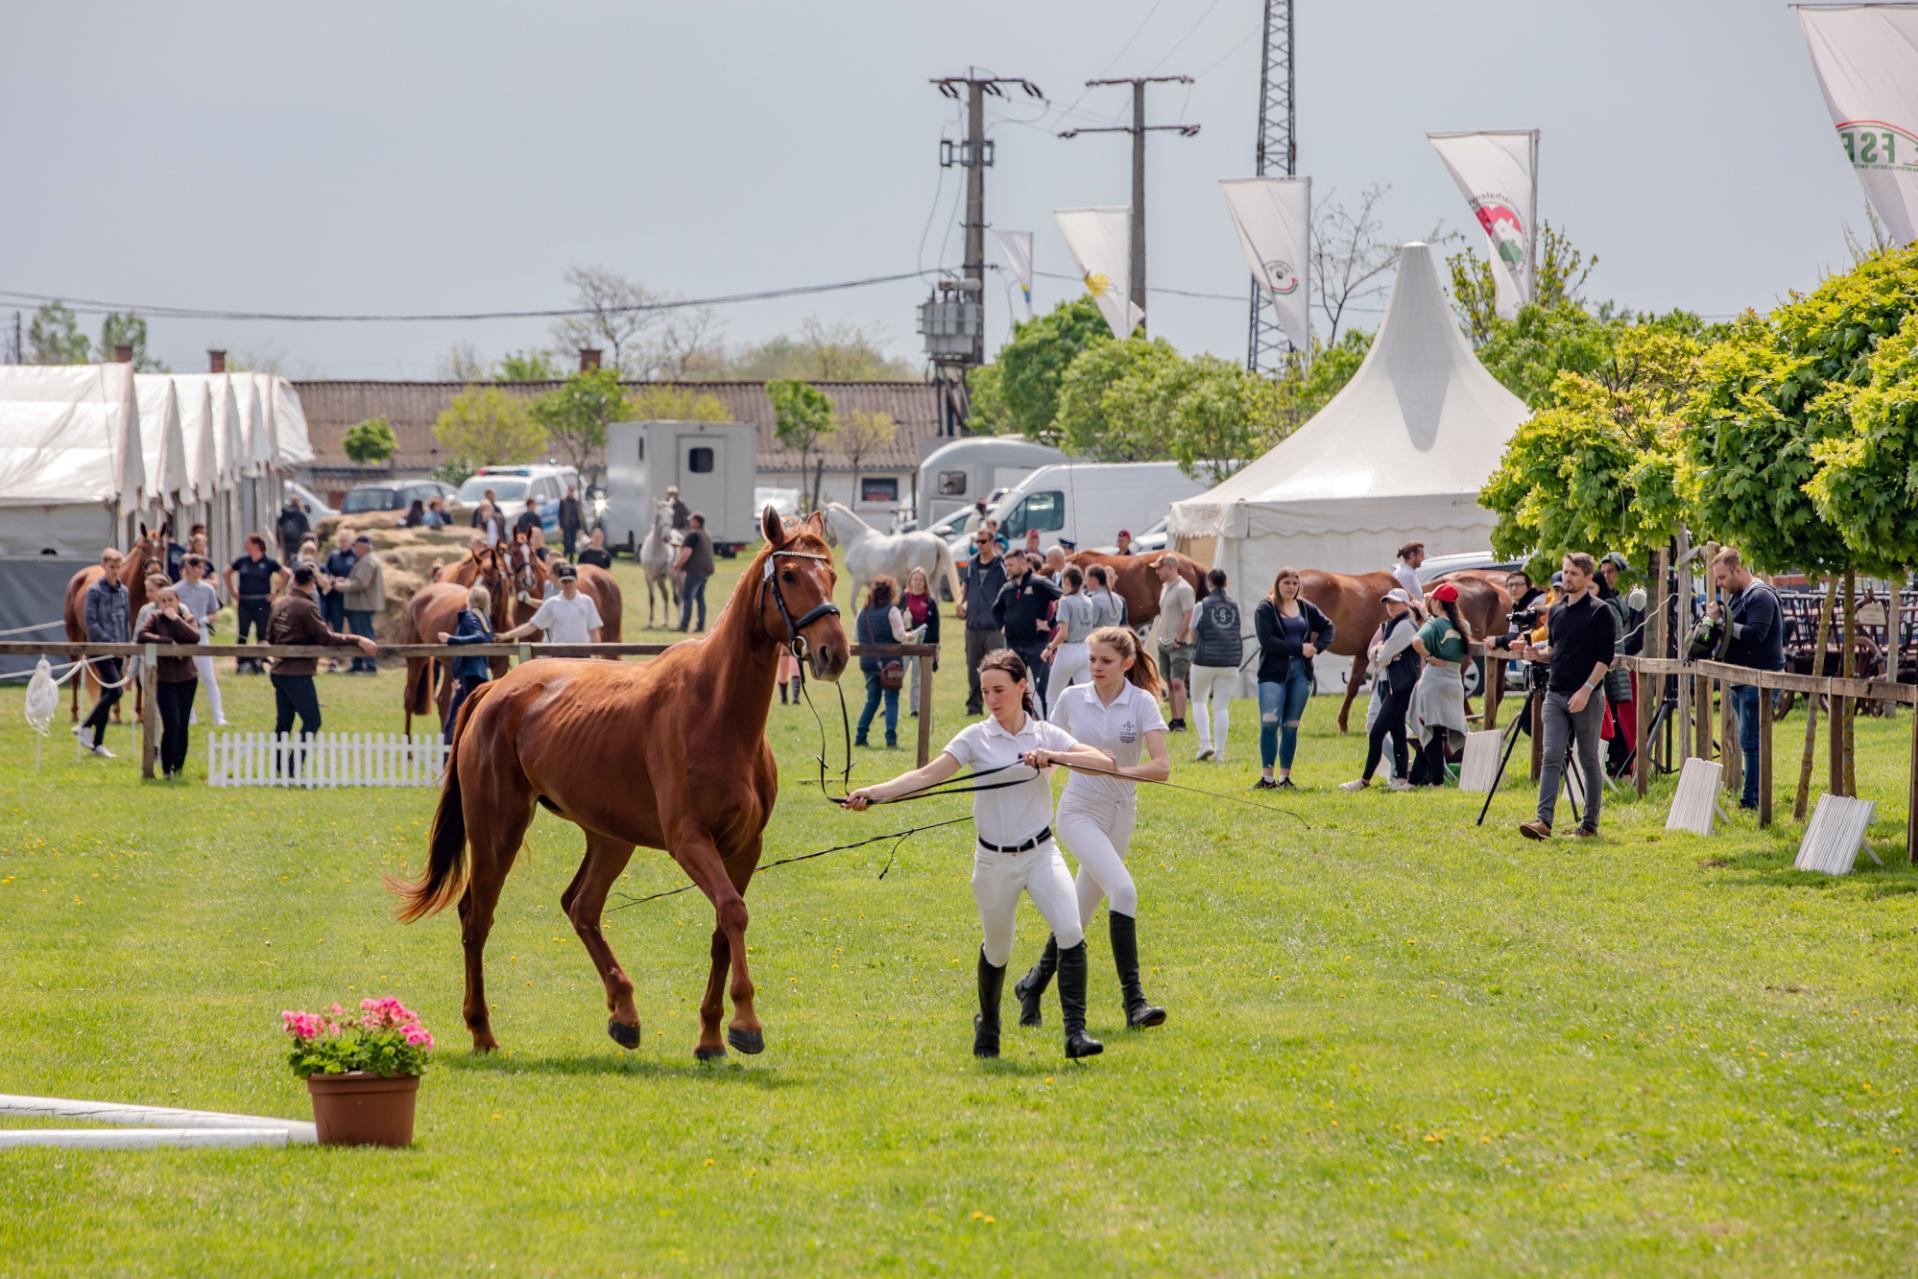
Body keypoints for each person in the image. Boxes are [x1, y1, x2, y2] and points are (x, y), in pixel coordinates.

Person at [845, 649, 1111, 1060]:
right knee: (998, 949)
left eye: (1000, 689)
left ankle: (1075, 1033)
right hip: (993, 863)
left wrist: (1056, 756)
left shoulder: (1045, 734)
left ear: (1023, 686)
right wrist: (873, 793)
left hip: (1041, 853)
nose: (992, 698)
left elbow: (1102, 761)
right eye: (986, 690)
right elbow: (925, 776)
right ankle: (988, 1023)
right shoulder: (975, 738)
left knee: (1070, 930)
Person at [1012, 626, 1171, 1033]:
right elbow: (1050, 746)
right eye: (1093, 660)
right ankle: (1135, 1002)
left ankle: (1032, 985)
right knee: (1124, 890)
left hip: (1122, 811)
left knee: (1077, 916)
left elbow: (1161, 767)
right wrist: (1047, 759)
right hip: (1079, 811)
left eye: (1106, 661)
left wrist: (1119, 770)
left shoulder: (1143, 703)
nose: (1096, 668)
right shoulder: (1070, 699)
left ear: (1127, 664)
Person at [1518, 552, 1617, 840]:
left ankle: (1589, 825)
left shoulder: (1600, 611)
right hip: (1555, 693)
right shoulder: (1557, 611)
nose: (1567, 578)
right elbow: (1554, 651)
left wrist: (1586, 690)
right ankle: (1543, 822)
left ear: (1588, 577)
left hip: (1586, 696)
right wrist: (1536, 655)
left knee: (1588, 760)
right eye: (1565, 572)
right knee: (1550, 755)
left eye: (1573, 573)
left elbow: (1604, 658)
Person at [266, 565, 378, 770]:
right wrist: (358, 639)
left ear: (293, 581)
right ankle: (292, 768)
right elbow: (326, 638)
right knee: (312, 721)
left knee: (284, 723)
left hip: (278, 670)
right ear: (312, 583)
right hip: (297, 673)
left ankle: (279, 767)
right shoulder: (307, 607)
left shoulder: (279, 603)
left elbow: (270, 637)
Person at [1709, 547, 1784, 810]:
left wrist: (1721, 624)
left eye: (1722, 577)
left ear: (1738, 569)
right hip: (1744, 678)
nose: (1720, 584)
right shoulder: (1739, 596)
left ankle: (1752, 800)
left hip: (1759, 678)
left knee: (1751, 742)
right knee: (1748, 741)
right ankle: (1751, 796)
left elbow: (1755, 634)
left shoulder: (1760, 595)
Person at [1252, 568, 1335, 790]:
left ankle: (1285, 777)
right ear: (1277, 584)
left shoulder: (1306, 608)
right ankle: (1267, 777)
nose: (1290, 587)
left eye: (1294, 583)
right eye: (1286, 582)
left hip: (1301, 672)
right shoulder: (1265, 608)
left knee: (1291, 725)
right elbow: (1267, 640)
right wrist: (1299, 647)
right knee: (1269, 722)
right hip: (1273, 671)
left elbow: (1328, 627)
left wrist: (1316, 648)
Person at [1342, 589, 1420, 791]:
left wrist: (1382, 652)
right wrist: (1382, 652)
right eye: (1387, 602)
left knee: (1376, 732)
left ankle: (1365, 780)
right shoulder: (1391, 625)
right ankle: (1400, 779)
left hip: (1400, 688)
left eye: (1394, 602)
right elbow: (1373, 654)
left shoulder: (1404, 626)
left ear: (1405, 604)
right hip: (1390, 685)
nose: (1390, 606)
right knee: (1398, 733)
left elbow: (1382, 656)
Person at [1407, 582, 1473, 787]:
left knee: (1431, 731)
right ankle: (1415, 779)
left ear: (1437, 602)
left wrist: (1430, 657)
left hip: (1434, 680)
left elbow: (1416, 641)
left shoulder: (1434, 624)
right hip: (1454, 680)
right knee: (1440, 732)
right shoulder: (1464, 625)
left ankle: (1436, 780)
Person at [136, 580, 202, 780]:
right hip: (164, 679)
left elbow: (194, 637)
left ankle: (179, 766)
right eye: (163, 601)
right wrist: (165, 642)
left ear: (177, 600)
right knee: (171, 723)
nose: (167, 604)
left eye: (170, 600)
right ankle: (166, 768)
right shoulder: (154, 618)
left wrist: (176, 620)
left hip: (187, 678)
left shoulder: (187, 617)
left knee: (182, 724)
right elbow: (142, 635)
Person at [72, 547, 130, 758]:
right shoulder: (95, 591)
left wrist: (126, 647)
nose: (115, 571)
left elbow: (125, 621)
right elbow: (91, 623)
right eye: (111, 567)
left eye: (118, 567)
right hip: (100, 648)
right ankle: (85, 726)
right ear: (104, 566)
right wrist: (110, 643)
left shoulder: (124, 592)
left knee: (108, 694)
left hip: (119, 650)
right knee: (116, 692)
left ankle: (98, 743)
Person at [993, 548, 1062, 709]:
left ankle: (1048, 724)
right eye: (1006, 565)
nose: (1008, 568)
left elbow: (1063, 599)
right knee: (1015, 688)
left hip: (1037, 646)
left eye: (1011, 565)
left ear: (1023, 563)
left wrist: (1049, 624)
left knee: (1044, 689)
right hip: (1013, 646)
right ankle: (1022, 721)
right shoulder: (1007, 588)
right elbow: (995, 610)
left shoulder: (1039, 583)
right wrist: (1002, 626)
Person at [1186, 568, 1242, 763]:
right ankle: (1220, 753)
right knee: (1221, 707)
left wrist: (1192, 648)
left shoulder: (1202, 605)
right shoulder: (1235, 606)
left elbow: (1192, 632)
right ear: (1225, 583)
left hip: (1205, 659)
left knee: (1199, 701)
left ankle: (1205, 743)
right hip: (1230, 660)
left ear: (1209, 583)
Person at [853, 576, 910, 749]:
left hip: (869, 662)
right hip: (890, 662)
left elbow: (856, 636)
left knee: (872, 700)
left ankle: (860, 735)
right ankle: (891, 739)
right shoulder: (892, 611)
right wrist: (909, 634)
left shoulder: (863, 612)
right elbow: (900, 636)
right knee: (891, 700)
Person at [437, 584, 497, 745]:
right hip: (478, 673)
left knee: (454, 719)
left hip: (468, 674)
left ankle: (448, 759)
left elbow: (478, 637)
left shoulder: (470, 616)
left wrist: (451, 639)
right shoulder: (485, 619)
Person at [1595, 552, 1638, 776]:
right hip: (1610, 665)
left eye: (1611, 571)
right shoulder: (1604, 599)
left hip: (1629, 666)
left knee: (1624, 719)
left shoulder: (1634, 598)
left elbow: (1636, 637)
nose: (1607, 576)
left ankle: (1624, 764)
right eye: (1603, 572)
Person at [958, 528, 1007, 715]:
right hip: (973, 626)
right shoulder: (972, 564)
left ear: (992, 542)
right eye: (977, 542)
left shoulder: (1000, 565)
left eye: (983, 541)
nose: (979, 545)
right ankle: (974, 707)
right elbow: (966, 585)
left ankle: (999, 706)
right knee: (973, 668)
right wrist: (960, 602)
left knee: (996, 668)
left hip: (993, 626)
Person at [175, 555, 228, 727]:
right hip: (183, 636)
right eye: (199, 567)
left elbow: (214, 612)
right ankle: (190, 716)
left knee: (209, 677)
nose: (203, 571)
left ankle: (219, 716)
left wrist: (205, 619)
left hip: (202, 634)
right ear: (189, 567)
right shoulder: (176, 590)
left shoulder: (207, 589)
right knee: (185, 678)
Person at [224, 533, 284, 674]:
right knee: (243, 633)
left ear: (256, 545)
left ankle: (261, 663)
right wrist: (232, 591)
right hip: (245, 601)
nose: (245, 545)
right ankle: (240, 662)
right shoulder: (242, 561)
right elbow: (227, 573)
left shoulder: (268, 562)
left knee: (262, 633)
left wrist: (276, 592)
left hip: (262, 602)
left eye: (248, 543)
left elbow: (285, 574)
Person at [502, 562, 604, 645]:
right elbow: (531, 626)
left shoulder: (587, 601)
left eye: (570, 581)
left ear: (576, 581)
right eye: (564, 581)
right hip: (558, 656)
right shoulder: (552, 603)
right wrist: (506, 635)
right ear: (560, 582)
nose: (567, 584)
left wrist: (598, 656)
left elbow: (594, 631)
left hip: (582, 656)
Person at [1042, 566, 1098, 715]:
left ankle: (1052, 730)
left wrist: (1050, 648)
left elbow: (1063, 633)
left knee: (1053, 695)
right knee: (1086, 695)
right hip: (1085, 650)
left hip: (1068, 651)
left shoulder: (1065, 601)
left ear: (1067, 581)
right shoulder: (1088, 600)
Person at [1151, 556, 1196, 733]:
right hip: (1165, 640)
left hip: (1179, 643)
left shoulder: (1184, 588)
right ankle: (1174, 719)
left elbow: (1189, 614)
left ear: (1170, 567)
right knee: (1169, 682)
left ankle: (1181, 721)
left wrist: (1180, 637)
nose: (1157, 571)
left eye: (1159, 568)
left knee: (1178, 681)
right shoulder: (1165, 587)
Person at [340, 534, 385, 674]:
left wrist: (341, 586)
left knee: (365, 635)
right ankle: (358, 663)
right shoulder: (368, 560)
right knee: (360, 635)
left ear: (362, 547)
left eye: (356, 547)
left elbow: (361, 583)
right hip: (361, 605)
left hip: (362, 605)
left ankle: (370, 665)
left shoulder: (366, 561)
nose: (355, 550)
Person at [899, 565, 939, 714]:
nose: (917, 582)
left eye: (920, 580)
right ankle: (889, 706)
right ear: (910, 581)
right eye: (915, 579)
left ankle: (914, 709)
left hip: (921, 645)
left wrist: (936, 650)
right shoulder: (903, 598)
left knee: (916, 678)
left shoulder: (930, 601)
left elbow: (935, 627)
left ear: (925, 582)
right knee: (897, 675)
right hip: (904, 644)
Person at [673, 512, 716, 632]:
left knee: (687, 597)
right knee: (700, 598)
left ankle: (684, 625)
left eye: (691, 520)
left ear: (697, 522)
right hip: (705, 571)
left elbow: (686, 553)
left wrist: (677, 565)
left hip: (694, 571)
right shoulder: (706, 535)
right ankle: (700, 626)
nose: (689, 522)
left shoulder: (693, 535)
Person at [321, 528, 356, 665]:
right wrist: (334, 579)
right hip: (335, 598)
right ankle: (334, 659)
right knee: (336, 628)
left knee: (354, 628)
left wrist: (346, 580)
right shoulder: (333, 556)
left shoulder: (355, 556)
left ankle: (355, 659)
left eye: (346, 541)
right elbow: (326, 573)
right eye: (341, 541)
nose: (343, 543)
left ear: (351, 542)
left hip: (352, 598)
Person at [1085, 564, 1127, 628]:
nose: (1086, 582)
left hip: (1100, 637)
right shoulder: (1118, 598)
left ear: (1093, 579)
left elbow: (1089, 627)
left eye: (1087, 579)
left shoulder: (1095, 600)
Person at [1392, 541, 1426, 607]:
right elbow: (1403, 600)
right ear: (1412, 555)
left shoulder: (1406, 572)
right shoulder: (1406, 574)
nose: (1423, 558)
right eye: (1421, 555)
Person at [276, 497, 311, 563]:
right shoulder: (301, 514)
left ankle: (287, 566)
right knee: (297, 558)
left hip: (286, 540)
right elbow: (307, 529)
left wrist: (278, 540)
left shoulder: (284, 513)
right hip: (298, 540)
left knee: (286, 558)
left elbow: (279, 527)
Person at [558, 485, 584, 558]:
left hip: (574, 526)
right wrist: (560, 527)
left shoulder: (576, 502)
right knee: (567, 544)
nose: (571, 493)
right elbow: (560, 515)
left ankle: (571, 561)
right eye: (570, 491)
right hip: (566, 526)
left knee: (572, 545)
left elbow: (578, 515)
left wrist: (580, 528)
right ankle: (563, 557)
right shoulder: (563, 501)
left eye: (572, 491)